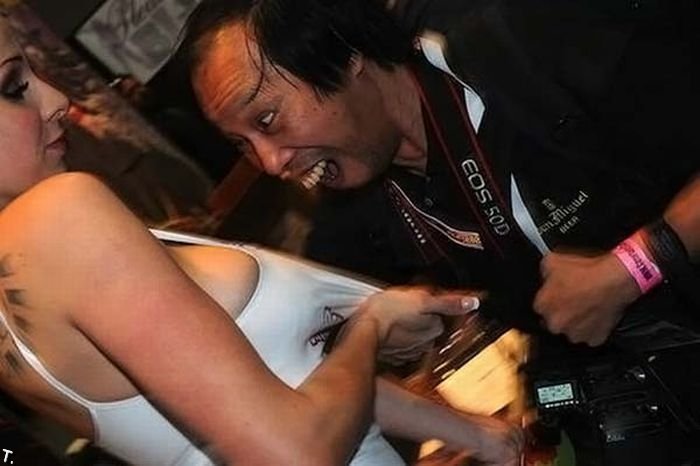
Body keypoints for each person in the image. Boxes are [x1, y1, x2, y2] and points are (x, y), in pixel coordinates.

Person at [184, 0, 700, 463]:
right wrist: (405, 368)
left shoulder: (528, 37)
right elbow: (310, 362)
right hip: (639, 389)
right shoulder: (355, 207)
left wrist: (635, 266)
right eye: (242, 144)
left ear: (344, 55)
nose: (270, 163)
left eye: (268, 120)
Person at [0, 16, 523, 466]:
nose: (57, 100)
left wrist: (478, 436)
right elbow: (292, 452)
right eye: (13, 86)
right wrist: (370, 327)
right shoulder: (60, 217)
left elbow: (278, 390)